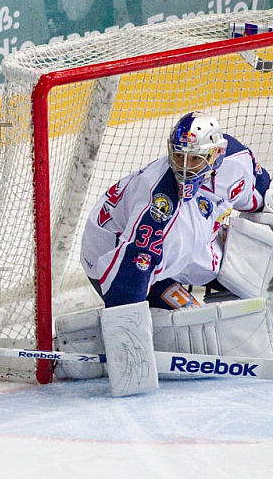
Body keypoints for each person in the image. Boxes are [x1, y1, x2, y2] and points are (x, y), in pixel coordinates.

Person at [57, 111, 273, 396]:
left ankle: (216, 287)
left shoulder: (236, 161)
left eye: (195, 159)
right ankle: (80, 342)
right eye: (179, 157)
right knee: (194, 327)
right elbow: (126, 287)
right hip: (113, 253)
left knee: (260, 249)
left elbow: (263, 197)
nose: (184, 168)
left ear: (216, 154)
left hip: (192, 241)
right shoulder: (158, 210)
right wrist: (129, 356)